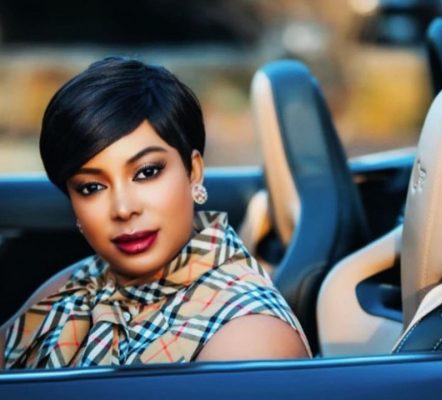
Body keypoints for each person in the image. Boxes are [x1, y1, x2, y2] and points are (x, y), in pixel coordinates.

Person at [0, 57, 310, 369]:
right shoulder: (81, 282)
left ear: (194, 172)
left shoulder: (250, 337)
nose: (123, 209)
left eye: (147, 172)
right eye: (91, 187)